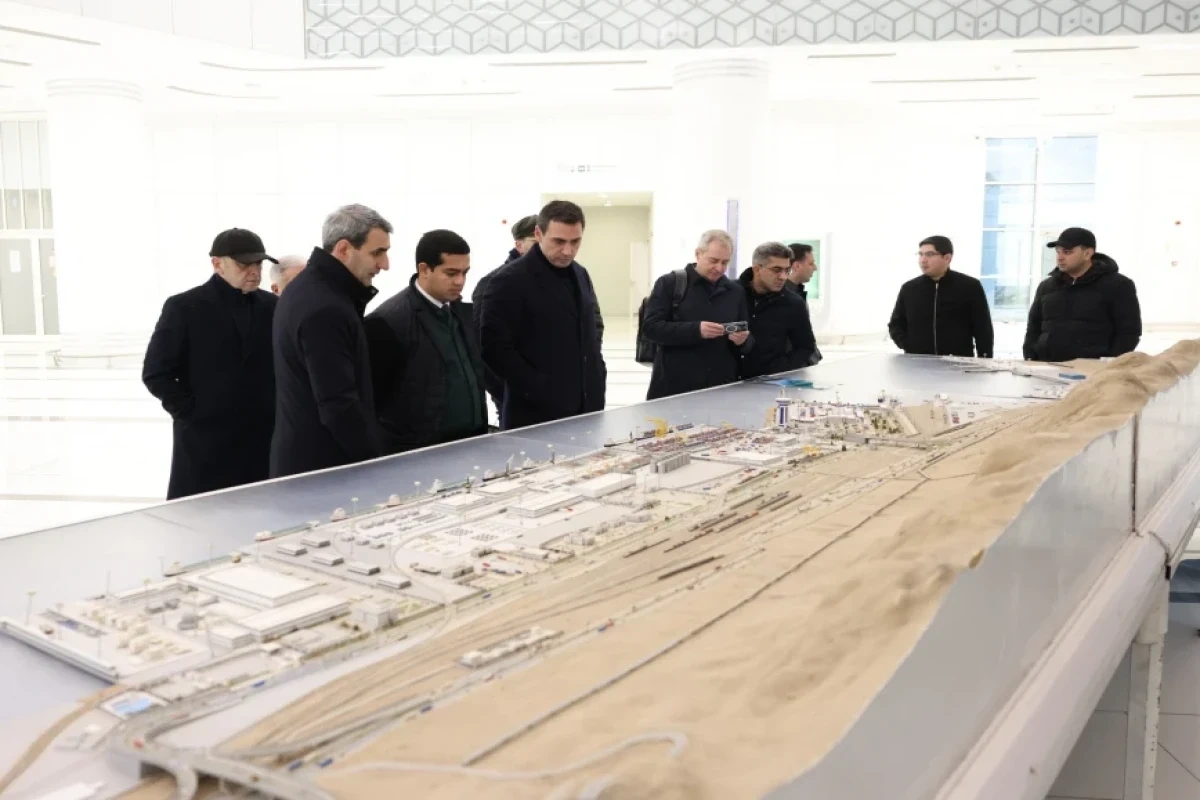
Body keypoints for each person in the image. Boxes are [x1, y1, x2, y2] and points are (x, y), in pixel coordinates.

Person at [142, 228, 278, 499]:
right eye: (244, 264)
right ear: (217, 264)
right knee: (200, 519)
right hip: (204, 445)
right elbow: (156, 372)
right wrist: (191, 413)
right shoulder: (184, 307)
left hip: (260, 443)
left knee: (259, 516)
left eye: (258, 264)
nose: (254, 271)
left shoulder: (272, 306)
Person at [270, 204, 391, 478]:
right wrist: (375, 464)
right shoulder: (324, 308)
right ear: (344, 249)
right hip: (325, 471)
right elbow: (338, 404)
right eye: (377, 253)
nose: (385, 264)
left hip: (311, 463)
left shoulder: (310, 289)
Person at [480, 200, 606, 430]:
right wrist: (538, 387)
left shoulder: (580, 274)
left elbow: (591, 328)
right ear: (538, 233)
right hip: (535, 412)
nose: (568, 251)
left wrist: (597, 371)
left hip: (588, 405)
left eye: (575, 242)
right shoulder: (508, 280)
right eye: (558, 241)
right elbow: (494, 349)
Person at [365, 230, 487, 454]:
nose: (460, 281)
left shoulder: (464, 312)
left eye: (464, 273)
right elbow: (373, 401)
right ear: (424, 269)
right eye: (451, 273)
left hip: (472, 445)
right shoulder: (388, 321)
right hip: (420, 455)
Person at [642, 229, 753, 400]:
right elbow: (651, 328)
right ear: (698, 254)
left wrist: (743, 341)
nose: (719, 268)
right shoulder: (670, 283)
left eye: (725, 262)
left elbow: (748, 337)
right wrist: (696, 330)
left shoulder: (735, 291)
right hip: (675, 386)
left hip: (721, 387)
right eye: (713, 261)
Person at [1023, 227, 1141, 362]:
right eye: (1058, 252)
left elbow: (1129, 333)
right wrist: (1030, 357)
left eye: (1067, 252)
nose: (1060, 258)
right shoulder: (1046, 286)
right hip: (1047, 367)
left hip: (1093, 369)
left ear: (1087, 253)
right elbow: (1033, 328)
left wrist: (1109, 365)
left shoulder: (1118, 285)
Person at [888, 235, 994, 358]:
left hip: (959, 362)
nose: (923, 260)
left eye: (929, 254)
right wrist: (909, 345)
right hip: (917, 362)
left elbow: (983, 328)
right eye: (920, 254)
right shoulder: (909, 288)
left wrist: (984, 359)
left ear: (947, 258)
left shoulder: (970, 286)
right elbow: (896, 324)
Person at [473, 214, 538, 410]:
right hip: (514, 393)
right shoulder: (493, 283)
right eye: (536, 242)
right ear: (519, 245)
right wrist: (506, 390)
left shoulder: (567, 279)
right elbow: (484, 345)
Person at [737, 242, 816, 378]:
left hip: (770, 383)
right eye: (776, 270)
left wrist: (780, 370)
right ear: (757, 269)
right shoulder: (731, 294)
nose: (783, 276)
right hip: (726, 383)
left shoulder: (794, 303)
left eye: (787, 270)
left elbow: (806, 347)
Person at [787, 242, 822, 365]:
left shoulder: (797, 292)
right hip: (793, 367)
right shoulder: (784, 297)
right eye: (811, 263)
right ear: (796, 266)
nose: (815, 268)